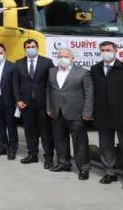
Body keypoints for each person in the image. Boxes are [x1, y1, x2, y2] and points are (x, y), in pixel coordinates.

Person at [91, 41, 123, 191]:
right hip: (102, 114)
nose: (105, 52)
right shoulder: (95, 69)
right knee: (105, 147)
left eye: (108, 49)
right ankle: (109, 173)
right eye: (103, 50)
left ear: (116, 50)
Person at [47, 48, 93, 180]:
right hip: (57, 112)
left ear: (73, 58)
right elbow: (49, 90)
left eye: (66, 56)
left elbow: (89, 93)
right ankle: (63, 163)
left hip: (76, 113)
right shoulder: (52, 71)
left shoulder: (83, 72)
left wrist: (87, 112)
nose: (63, 58)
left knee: (80, 142)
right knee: (60, 139)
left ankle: (83, 168)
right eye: (60, 56)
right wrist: (49, 106)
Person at [12, 39, 55, 168]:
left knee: (46, 132)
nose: (30, 48)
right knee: (30, 131)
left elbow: (51, 84)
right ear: (25, 49)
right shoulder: (18, 63)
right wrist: (18, 100)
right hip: (26, 104)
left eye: (32, 46)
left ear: (37, 47)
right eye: (28, 47)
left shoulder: (47, 62)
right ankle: (32, 154)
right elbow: (15, 84)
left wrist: (50, 103)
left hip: (43, 104)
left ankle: (49, 157)